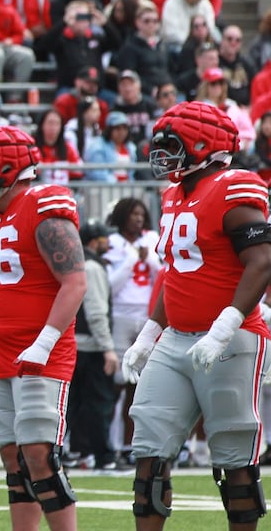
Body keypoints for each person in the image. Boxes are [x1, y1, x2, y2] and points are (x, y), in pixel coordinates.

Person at [122, 101, 271, 529]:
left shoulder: (233, 185)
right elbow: (179, 272)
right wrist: (150, 332)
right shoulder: (173, 194)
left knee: (233, 458)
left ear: (204, 145)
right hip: (177, 338)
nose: (162, 154)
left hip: (232, 338)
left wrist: (224, 328)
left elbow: (261, 261)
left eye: (172, 144)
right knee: (149, 452)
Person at [0, 125, 86, 531]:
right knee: (13, 459)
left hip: (39, 355)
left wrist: (44, 343)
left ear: (6, 168)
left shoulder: (43, 204)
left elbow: (75, 281)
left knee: (39, 455)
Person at [103, 197, 161, 468]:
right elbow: (110, 288)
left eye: (142, 213)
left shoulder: (152, 239)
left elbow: (161, 276)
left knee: (139, 385)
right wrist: (129, 262)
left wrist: (147, 259)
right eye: (133, 213)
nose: (138, 218)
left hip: (147, 316)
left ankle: (129, 444)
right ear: (122, 215)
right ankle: (109, 444)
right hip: (121, 314)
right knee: (115, 382)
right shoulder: (112, 242)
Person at [64, 219, 119, 472]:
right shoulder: (93, 267)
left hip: (74, 343)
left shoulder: (76, 262)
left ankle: (75, 451)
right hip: (91, 346)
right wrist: (108, 347)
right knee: (99, 403)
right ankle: (103, 456)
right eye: (104, 238)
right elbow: (96, 311)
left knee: (74, 403)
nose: (109, 242)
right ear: (93, 241)